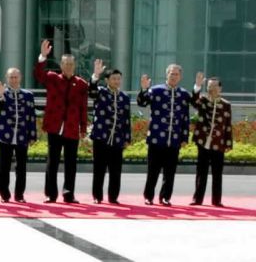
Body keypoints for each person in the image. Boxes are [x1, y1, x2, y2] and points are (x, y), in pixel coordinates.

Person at [34, 40, 88, 204]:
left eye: (71, 64)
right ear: (61, 65)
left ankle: (69, 194)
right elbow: (38, 75)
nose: (69, 66)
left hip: (72, 127)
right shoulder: (53, 78)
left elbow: (83, 107)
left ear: (74, 65)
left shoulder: (81, 84)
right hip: (55, 126)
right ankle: (51, 194)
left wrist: (83, 127)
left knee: (71, 163)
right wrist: (42, 57)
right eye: (66, 64)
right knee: (53, 162)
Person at [138, 64, 194, 206]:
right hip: (156, 138)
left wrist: (184, 137)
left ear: (180, 77)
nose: (173, 76)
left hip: (174, 139)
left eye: (176, 74)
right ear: (166, 75)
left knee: (170, 172)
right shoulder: (156, 90)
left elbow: (185, 117)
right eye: (171, 74)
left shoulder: (184, 94)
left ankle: (165, 197)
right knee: (153, 170)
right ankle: (148, 196)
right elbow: (142, 102)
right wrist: (144, 89)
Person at [88, 59, 131, 204]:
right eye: (114, 78)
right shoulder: (100, 92)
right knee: (99, 169)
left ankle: (113, 197)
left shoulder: (124, 97)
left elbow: (126, 119)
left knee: (116, 170)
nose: (117, 81)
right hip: (101, 137)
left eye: (119, 79)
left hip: (117, 138)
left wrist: (127, 138)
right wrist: (95, 76)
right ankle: (97, 196)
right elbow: (91, 91)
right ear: (107, 80)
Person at [0, 68, 37, 203]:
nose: (14, 80)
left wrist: (32, 135)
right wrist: (0, 95)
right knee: (4, 167)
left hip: (22, 135)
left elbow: (32, 116)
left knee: (21, 167)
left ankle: (19, 195)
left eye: (16, 77)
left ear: (20, 78)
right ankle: (4, 195)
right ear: (7, 78)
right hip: (5, 135)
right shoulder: (3, 93)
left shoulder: (28, 95)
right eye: (11, 77)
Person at [190, 73, 233, 207]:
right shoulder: (202, 101)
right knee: (201, 172)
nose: (211, 89)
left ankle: (217, 200)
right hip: (203, 141)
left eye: (214, 86)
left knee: (217, 173)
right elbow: (193, 101)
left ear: (220, 88)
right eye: (209, 86)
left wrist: (228, 143)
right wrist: (198, 86)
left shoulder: (226, 104)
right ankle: (197, 199)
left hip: (218, 143)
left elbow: (228, 125)